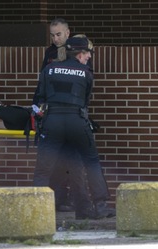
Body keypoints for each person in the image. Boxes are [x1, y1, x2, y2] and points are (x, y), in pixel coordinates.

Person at [33, 36, 115, 219]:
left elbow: (42, 96)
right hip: (76, 121)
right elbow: (85, 101)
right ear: (80, 54)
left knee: (43, 168)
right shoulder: (86, 72)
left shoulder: (49, 69)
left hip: (52, 121)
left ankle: (36, 209)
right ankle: (100, 206)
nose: (89, 58)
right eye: (87, 54)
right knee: (91, 162)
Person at [33, 18, 85, 212]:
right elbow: (42, 81)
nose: (55, 38)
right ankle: (53, 200)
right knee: (50, 161)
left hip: (70, 113)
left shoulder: (78, 52)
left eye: (59, 34)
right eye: (52, 35)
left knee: (72, 161)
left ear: (68, 33)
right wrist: (37, 105)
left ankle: (70, 200)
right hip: (51, 113)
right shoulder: (50, 53)